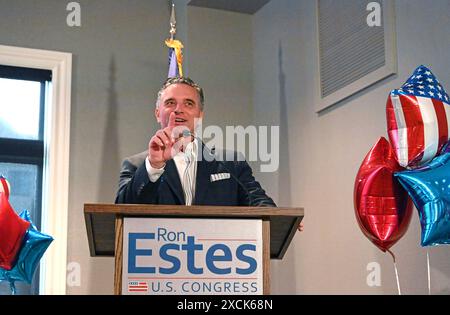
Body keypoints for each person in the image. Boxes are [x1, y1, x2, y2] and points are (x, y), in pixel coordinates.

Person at [115, 77, 303, 231]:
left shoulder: (230, 163)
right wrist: (154, 165)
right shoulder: (137, 165)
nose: (178, 109)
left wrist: (282, 222)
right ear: (157, 113)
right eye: (170, 103)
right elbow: (122, 214)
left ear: (200, 114)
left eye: (188, 103)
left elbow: (257, 201)